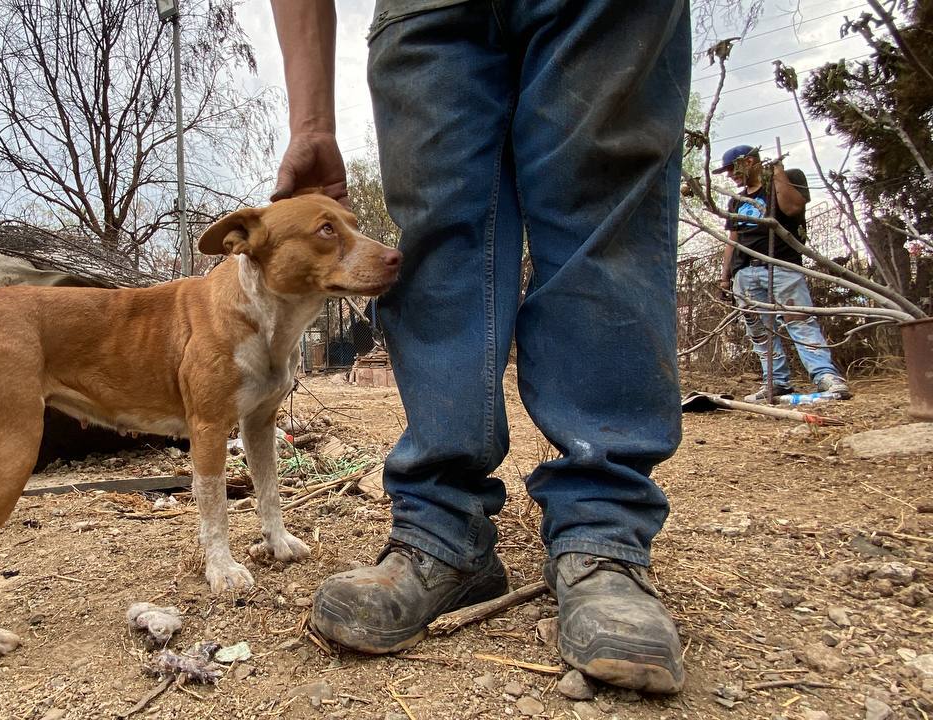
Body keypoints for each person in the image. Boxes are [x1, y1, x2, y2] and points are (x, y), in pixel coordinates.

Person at [269, 0, 689, 694]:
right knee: (433, 245)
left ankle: (603, 533)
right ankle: (442, 530)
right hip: (427, 11)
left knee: (602, 216)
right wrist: (311, 121)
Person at [713, 144, 851, 402]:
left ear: (751, 161)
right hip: (745, 272)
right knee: (759, 330)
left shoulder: (784, 182)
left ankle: (825, 377)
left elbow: (792, 209)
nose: (731, 175)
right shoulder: (737, 201)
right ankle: (775, 382)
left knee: (799, 321)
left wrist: (777, 171)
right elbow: (732, 240)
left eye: (734, 168)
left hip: (781, 265)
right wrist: (726, 276)